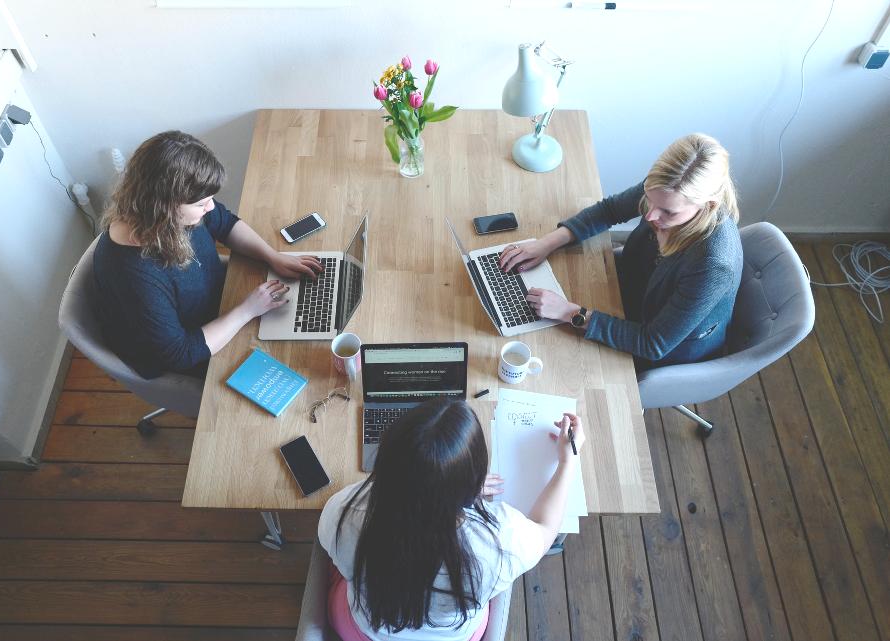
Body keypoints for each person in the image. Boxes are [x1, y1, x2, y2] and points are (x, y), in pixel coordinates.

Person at [318, 399, 584, 641]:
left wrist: (439, 485)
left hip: (363, 630)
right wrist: (567, 461)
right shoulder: (499, 542)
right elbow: (546, 528)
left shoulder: (343, 512)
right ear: (474, 483)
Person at [499, 133, 743, 371]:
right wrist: (546, 243)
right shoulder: (665, 188)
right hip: (629, 292)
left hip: (661, 349)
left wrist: (568, 312)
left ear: (707, 205)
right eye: (649, 199)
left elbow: (653, 343)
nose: (650, 215)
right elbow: (610, 211)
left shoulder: (713, 264)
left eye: (668, 212)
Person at [93, 130, 323, 379]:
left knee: (306, 329)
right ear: (164, 206)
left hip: (222, 303)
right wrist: (247, 310)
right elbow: (179, 354)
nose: (210, 207)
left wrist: (272, 256)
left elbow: (224, 223)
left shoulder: (167, 216)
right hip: (194, 347)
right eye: (201, 204)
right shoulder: (134, 275)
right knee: (299, 363)